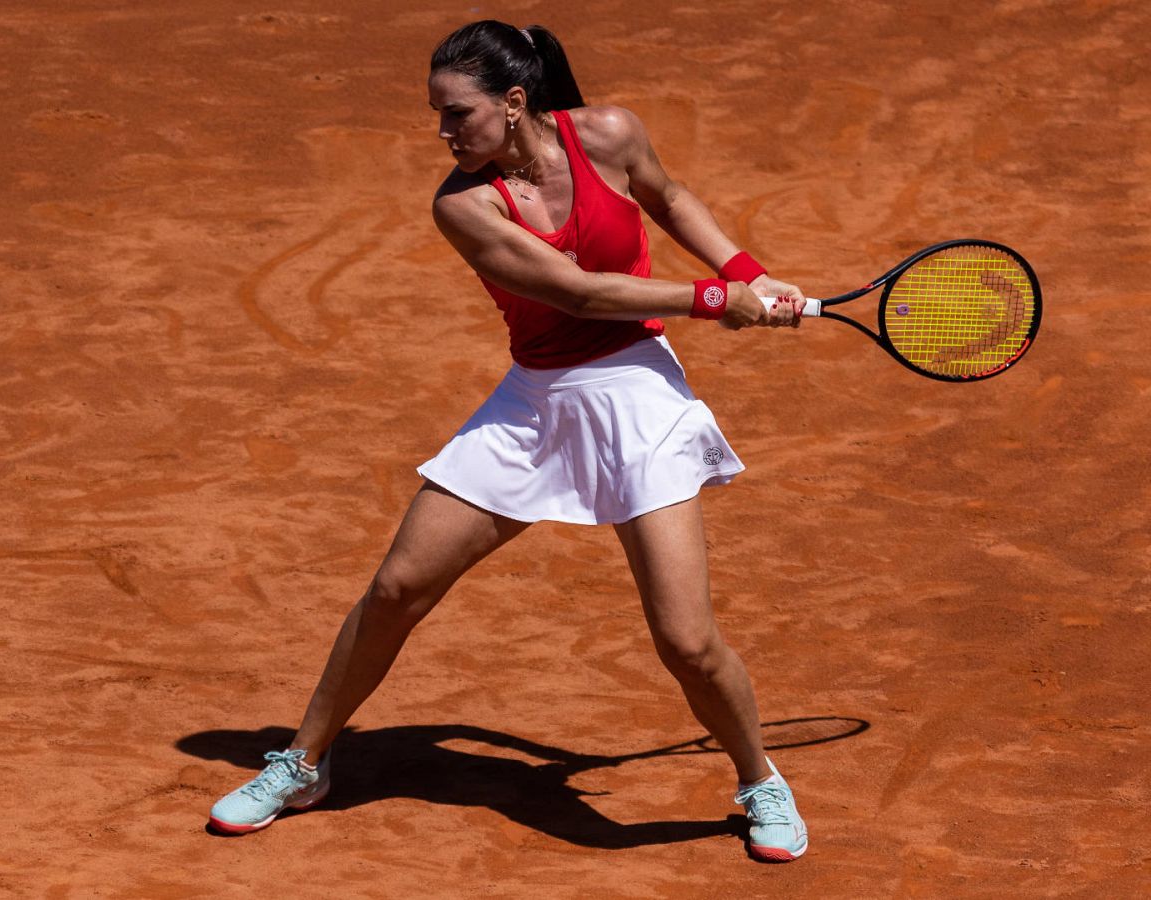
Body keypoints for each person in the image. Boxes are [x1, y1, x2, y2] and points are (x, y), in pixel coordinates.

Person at [208, 20, 810, 863]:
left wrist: (746, 272)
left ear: (514, 102)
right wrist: (714, 301)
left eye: (456, 115)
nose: (443, 134)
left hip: (636, 394)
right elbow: (577, 294)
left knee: (686, 640)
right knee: (396, 589)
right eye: (438, 116)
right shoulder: (463, 204)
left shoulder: (609, 133)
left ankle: (759, 781)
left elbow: (667, 199)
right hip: (533, 405)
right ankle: (303, 762)